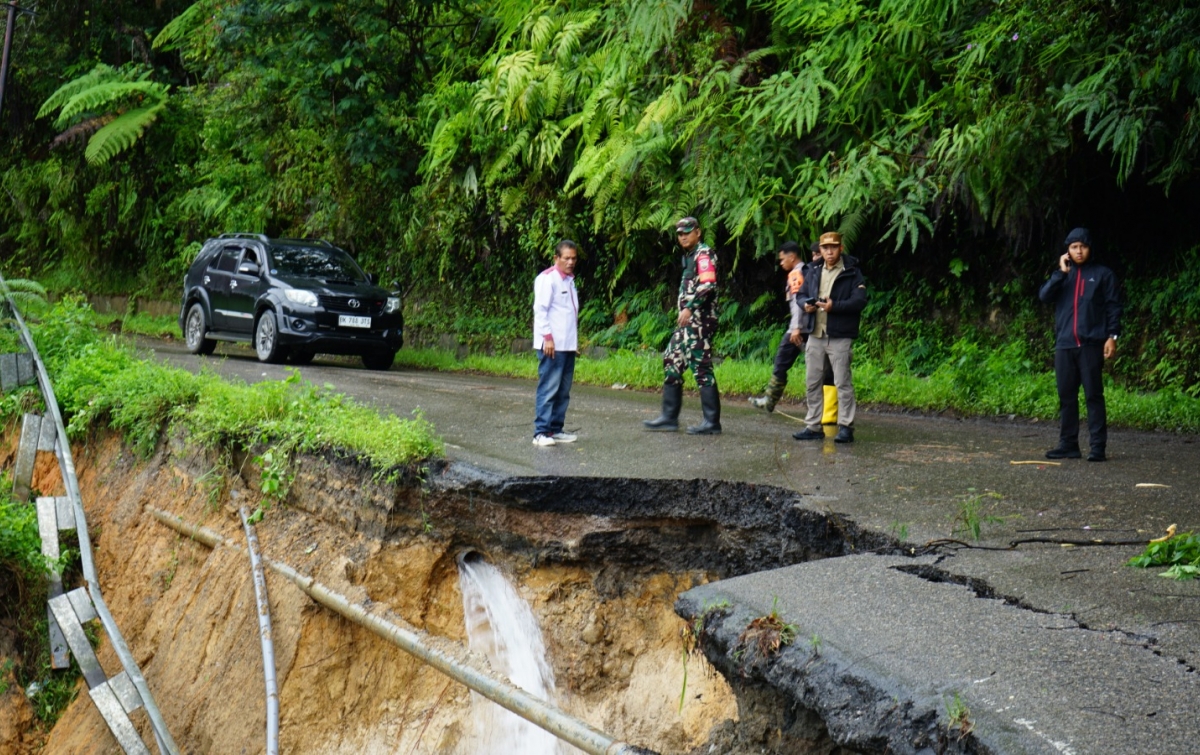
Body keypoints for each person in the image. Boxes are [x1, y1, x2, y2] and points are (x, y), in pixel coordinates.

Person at [1038, 227, 1121, 461]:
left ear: (1089, 248)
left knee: (1093, 395)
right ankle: (1068, 445)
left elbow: (1114, 307)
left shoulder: (1103, 275)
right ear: (1067, 251)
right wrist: (1060, 273)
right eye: (1074, 247)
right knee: (1066, 396)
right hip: (1064, 345)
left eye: (1083, 246)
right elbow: (1044, 296)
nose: (1079, 251)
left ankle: (1097, 447)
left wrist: (1112, 337)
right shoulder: (1063, 276)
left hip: (1091, 344)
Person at [644, 216, 721, 434]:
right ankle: (669, 418)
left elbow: (708, 285)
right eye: (679, 234)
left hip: (700, 321)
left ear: (698, 232)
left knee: (701, 367)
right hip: (687, 324)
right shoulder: (689, 256)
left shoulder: (703, 254)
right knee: (672, 360)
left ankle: (712, 422)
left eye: (687, 232)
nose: (683, 237)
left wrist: (689, 307)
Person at [792, 232, 867, 443]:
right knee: (812, 382)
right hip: (815, 334)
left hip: (840, 335)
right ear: (821, 250)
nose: (829, 252)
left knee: (842, 382)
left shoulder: (851, 271)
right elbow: (800, 295)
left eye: (833, 247)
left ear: (840, 248)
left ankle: (846, 427)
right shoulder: (813, 270)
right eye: (825, 248)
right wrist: (805, 305)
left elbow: (860, 301)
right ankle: (813, 426)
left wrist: (835, 306)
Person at [532, 240, 580, 447]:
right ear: (556, 258)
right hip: (552, 346)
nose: (570, 262)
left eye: (573, 258)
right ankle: (540, 432)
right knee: (549, 388)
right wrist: (547, 338)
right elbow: (540, 310)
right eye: (566, 258)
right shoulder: (547, 279)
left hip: (567, 346)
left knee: (563, 391)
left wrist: (573, 343)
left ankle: (555, 429)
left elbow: (568, 315)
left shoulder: (569, 280)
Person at [749, 241, 807, 412]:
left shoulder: (796, 274)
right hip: (807, 327)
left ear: (792, 256)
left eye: (782, 259)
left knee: (781, 361)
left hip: (799, 328)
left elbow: (798, 303)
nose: (781, 263)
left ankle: (770, 400)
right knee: (817, 365)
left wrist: (796, 327)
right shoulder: (807, 270)